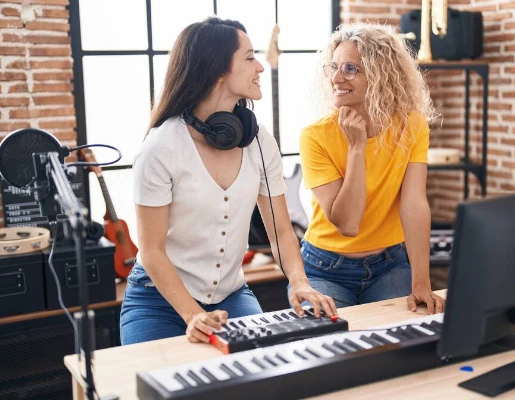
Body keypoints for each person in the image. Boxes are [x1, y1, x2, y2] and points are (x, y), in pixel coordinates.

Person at [120, 17, 336, 346]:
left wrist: (299, 281)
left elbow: (279, 231)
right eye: (249, 57)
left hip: (232, 297)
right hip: (157, 301)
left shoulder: (260, 142)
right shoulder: (161, 147)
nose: (260, 67)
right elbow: (150, 251)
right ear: (218, 70)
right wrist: (193, 315)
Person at [298, 23, 445, 313]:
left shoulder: (411, 124)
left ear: (379, 77)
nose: (336, 78)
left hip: (389, 264)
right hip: (325, 268)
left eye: (350, 69)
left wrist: (421, 283)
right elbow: (348, 223)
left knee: (401, 345)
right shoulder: (315, 136)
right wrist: (356, 147)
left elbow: (414, 204)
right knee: (334, 350)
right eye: (334, 67)